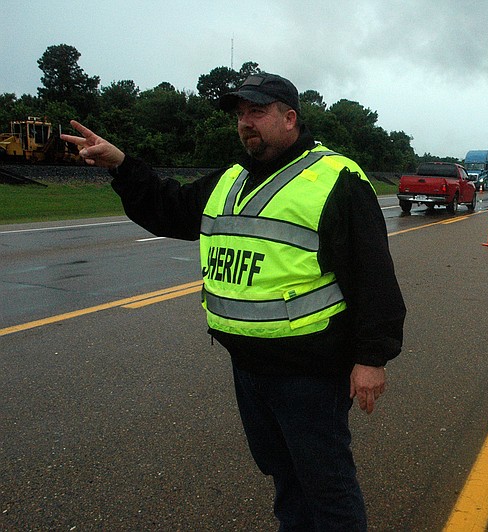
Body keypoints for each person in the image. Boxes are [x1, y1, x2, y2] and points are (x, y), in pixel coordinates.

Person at [62, 72, 406, 531]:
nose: (246, 123)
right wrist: (121, 164)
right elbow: (169, 207)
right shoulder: (229, 179)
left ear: (290, 118)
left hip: (311, 372)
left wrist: (371, 359)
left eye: (257, 112)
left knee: (327, 487)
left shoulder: (336, 179)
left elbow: (374, 277)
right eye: (240, 114)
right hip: (248, 368)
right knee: (286, 480)